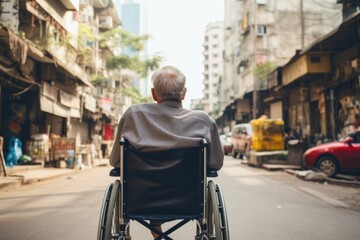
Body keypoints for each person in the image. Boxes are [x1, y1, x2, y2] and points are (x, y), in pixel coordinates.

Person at [109, 65, 224, 238]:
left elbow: (116, 162)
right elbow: (215, 163)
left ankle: (155, 225)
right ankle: (157, 225)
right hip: (188, 201)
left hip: (141, 200)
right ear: (183, 93)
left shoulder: (134, 115)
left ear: (154, 93)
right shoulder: (203, 121)